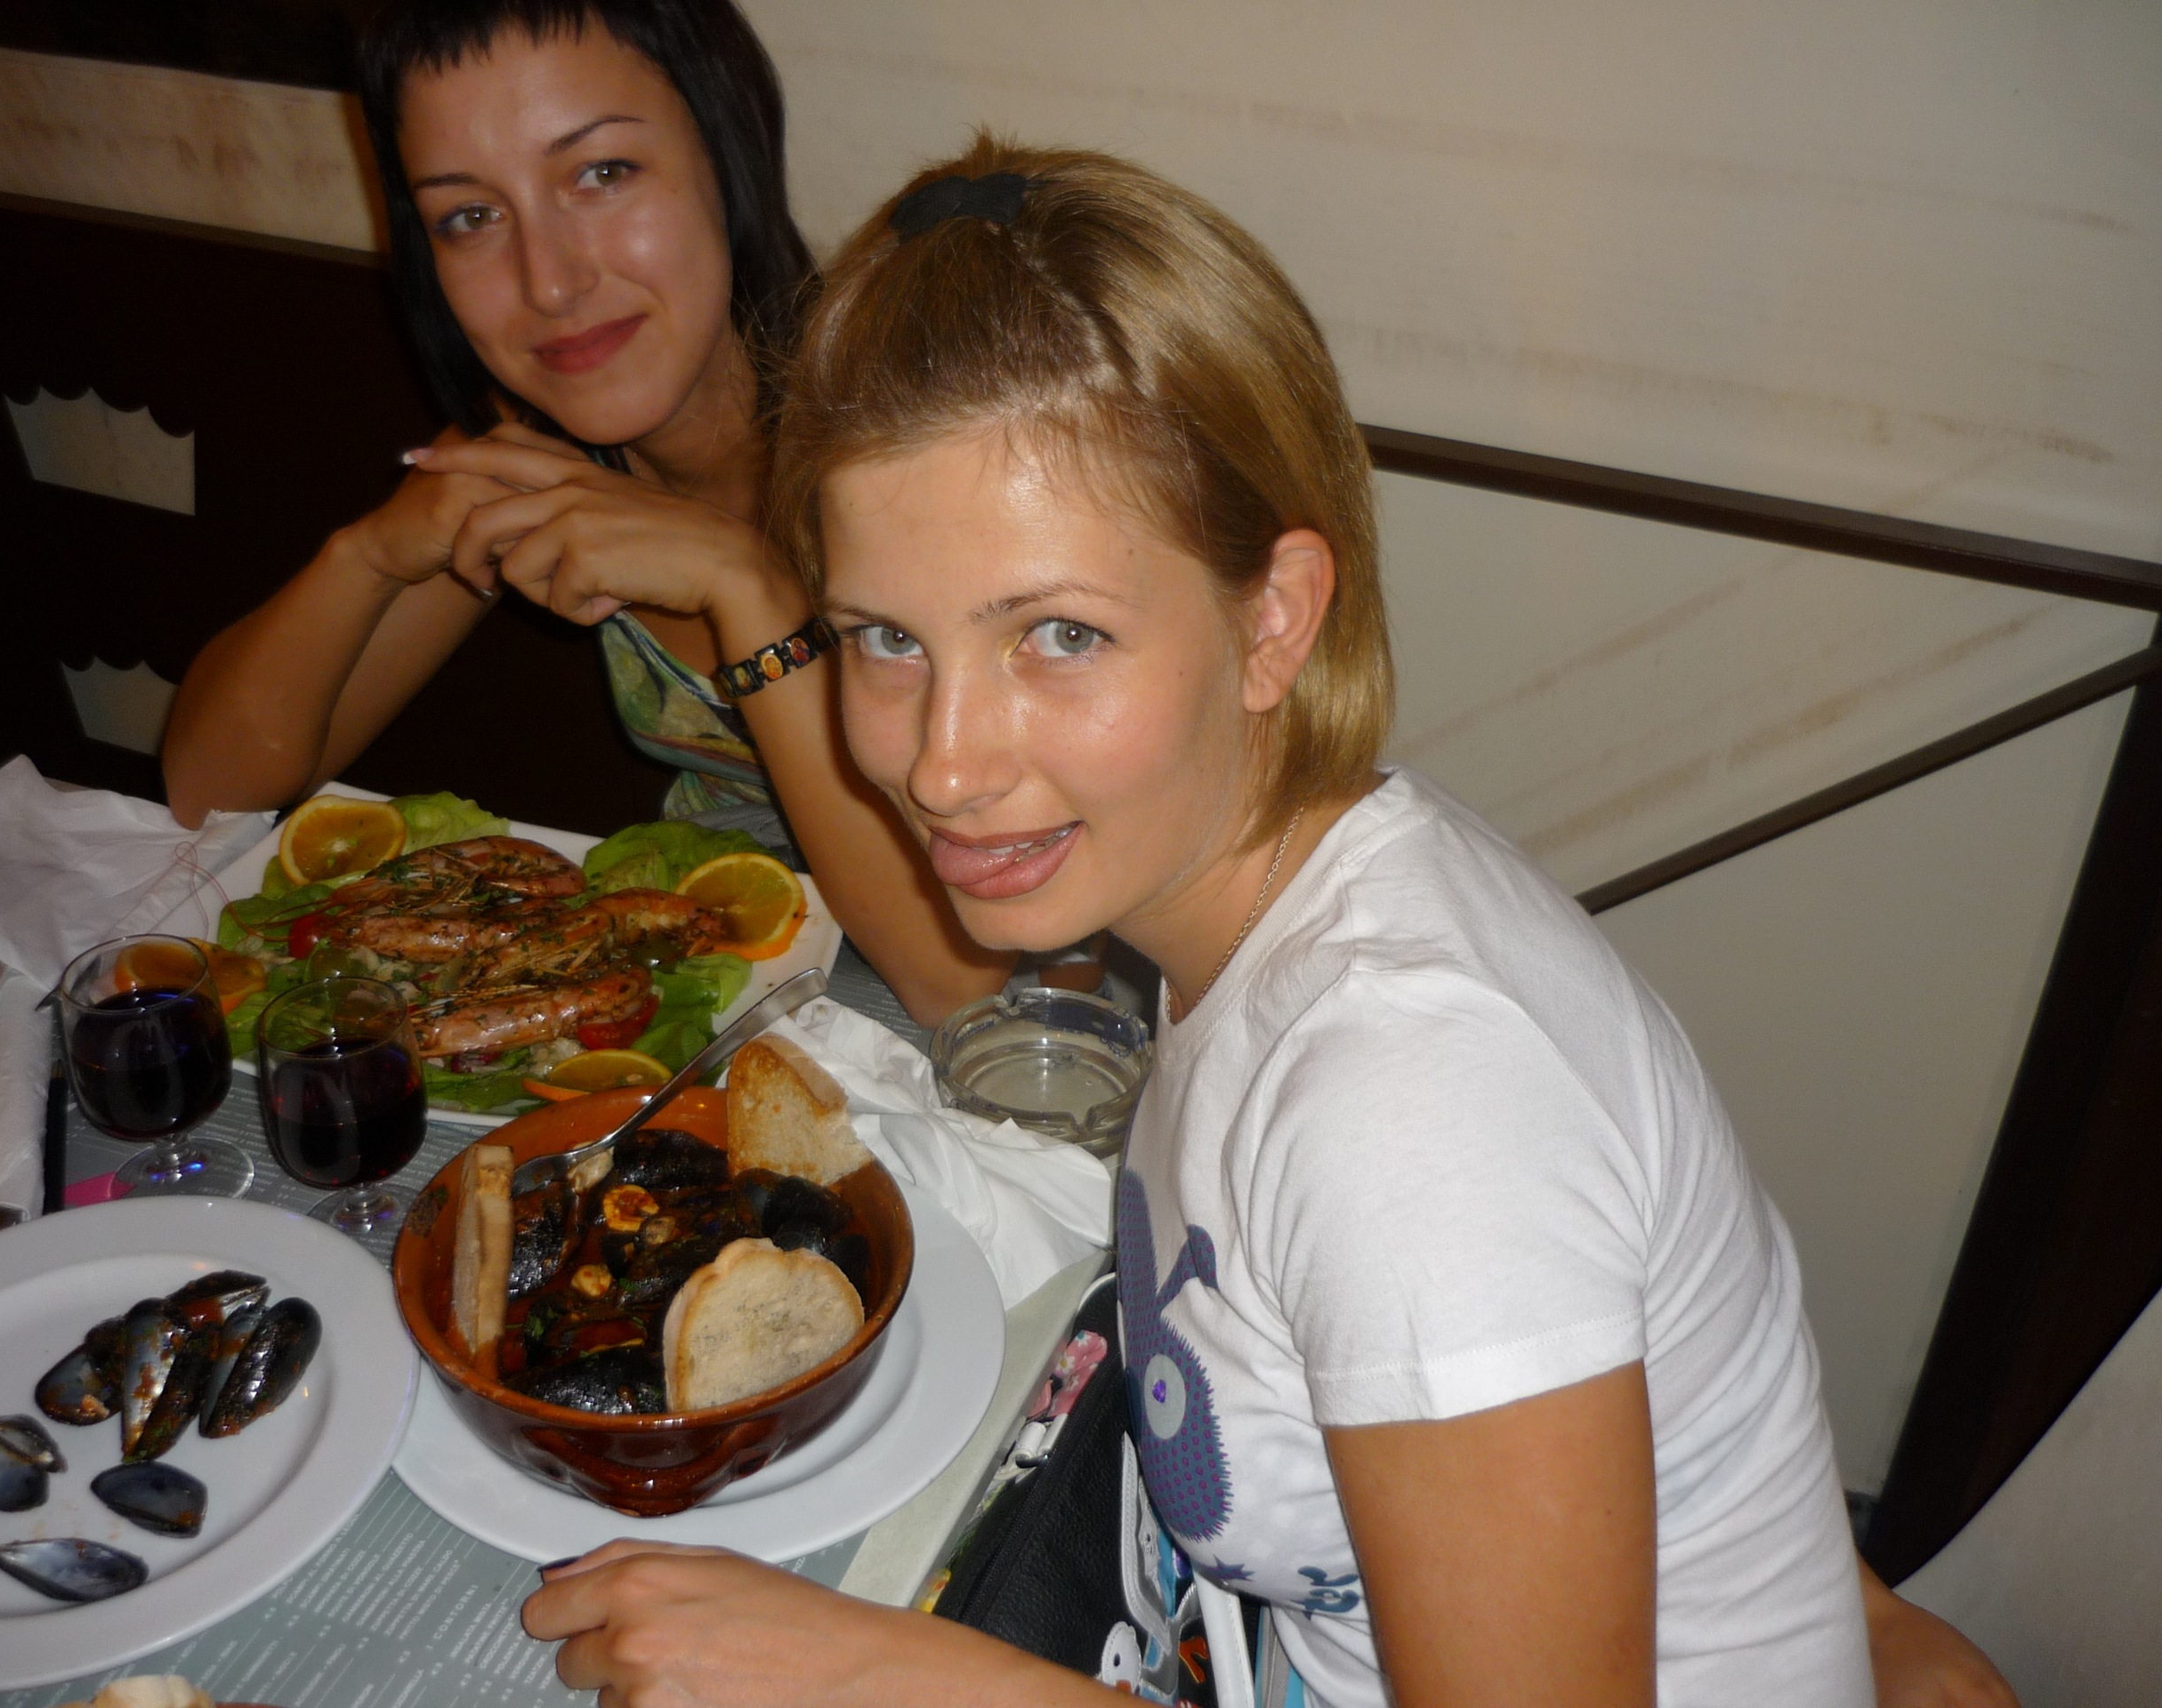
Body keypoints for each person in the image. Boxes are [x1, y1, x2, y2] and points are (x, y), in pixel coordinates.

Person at [521, 141, 2019, 1707]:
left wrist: (864, 1676)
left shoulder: (1412, 1112)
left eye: (1059, 634)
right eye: (885, 638)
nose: (944, 764)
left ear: (1275, 620)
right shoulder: (1254, 899)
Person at [159, 0, 1007, 1021]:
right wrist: (371, 553)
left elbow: (963, 977)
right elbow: (209, 794)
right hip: (728, 996)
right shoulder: (545, 453)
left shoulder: (918, 449)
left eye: (601, 173)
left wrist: (747, 588)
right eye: (469, 217)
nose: (550, 283)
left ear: (727, 152)